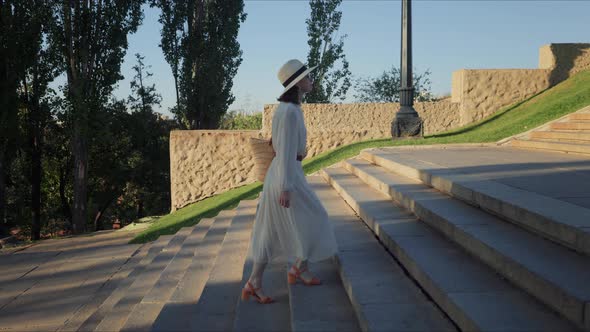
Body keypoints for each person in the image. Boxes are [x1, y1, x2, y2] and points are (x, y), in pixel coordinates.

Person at [241, 59, 339, 304]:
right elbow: (282, 150)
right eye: (307, 77)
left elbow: (276, 144)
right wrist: (285, 186)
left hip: (286, 172)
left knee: (272, 229)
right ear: (297, 84)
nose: (311, 80)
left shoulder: (286, 110)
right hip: (286, 175)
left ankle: (269, 277)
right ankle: (297, 268)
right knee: (317, 216)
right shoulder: (290, 112)